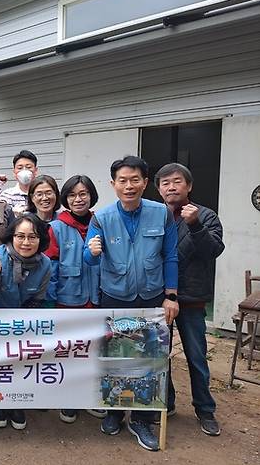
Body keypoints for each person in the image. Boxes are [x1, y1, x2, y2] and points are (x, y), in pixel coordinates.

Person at [84, 156, 179, 452]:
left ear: (145, 183)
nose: (129, 186)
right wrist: (92, 251)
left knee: (149, 360)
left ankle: (141, 419)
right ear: (113, 185)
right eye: (122, 181)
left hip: (151, 298)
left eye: (134, 180)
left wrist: (171, 295)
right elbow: (89, 260)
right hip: (115, 296)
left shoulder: (161, 214)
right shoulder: (101, 218)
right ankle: (114, 412)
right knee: (116, 357)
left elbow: (171, 256)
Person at [155, 162, 224, 436]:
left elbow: (213, 250)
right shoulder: (155, 216)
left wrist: (194, 225)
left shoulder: (205, 215)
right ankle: (167, 402)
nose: (171, 187)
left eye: (177, 181)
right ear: (159, 189)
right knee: (161, 356)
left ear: (189, 186)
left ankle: (205, 409)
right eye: (165, 183)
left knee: (196, 357)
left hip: (192, 300)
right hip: (160, 300)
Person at [0, 213, 51, 431]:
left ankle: (16, 402)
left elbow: (37, 298)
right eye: (20, 236)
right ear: (11, 236)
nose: (26, 242)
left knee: (20, 364)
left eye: (32, 237)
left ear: (41, 240)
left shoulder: (45, 263)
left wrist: (20, 325)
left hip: (21, 323)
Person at [44, 174, 105, 424]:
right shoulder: (56, 227)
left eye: (83, 194)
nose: (78, 199)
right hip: (67, 300)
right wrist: (51, 302)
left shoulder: (101, 222)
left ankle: (91, 396)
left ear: (91, 196)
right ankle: (68, 400)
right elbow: (50, 269)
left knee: (95, 351)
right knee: (68, 351)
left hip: (97, 298)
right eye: (72, 195)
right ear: (65, 199)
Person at [0, 150, 38, 215]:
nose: (24, 170)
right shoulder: (7, 195)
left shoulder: (41, 193)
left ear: (36, 171)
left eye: (28, 167)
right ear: (14, 172)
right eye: (20, 168)